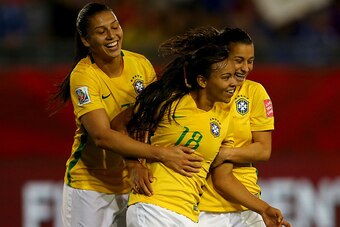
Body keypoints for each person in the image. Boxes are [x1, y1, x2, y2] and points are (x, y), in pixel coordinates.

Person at [48, 3, 204, 227]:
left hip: (134, 182)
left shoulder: (140, 64)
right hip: (91, 187)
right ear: (85, 39)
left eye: (115, 27)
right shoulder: (84, 76)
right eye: (101, 31)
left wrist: (138, 163)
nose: (112, 36)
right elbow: (102, 135)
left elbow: (149, 121)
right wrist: (160, 155)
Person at [118, 29, 289, 227]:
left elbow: (230, 172)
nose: (242, 71)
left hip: (192, 211)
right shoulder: (172, 101)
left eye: (250, 61)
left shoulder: (223, 119)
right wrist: (136, 163)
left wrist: (263, 207)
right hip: (159, 205)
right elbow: (116, 127)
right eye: (236, 63)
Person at [198, 28, 278, 226]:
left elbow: (263, 149)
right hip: (205, 207)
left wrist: (225, 154)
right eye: (239, 60)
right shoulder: (204, 93)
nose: (245, 67)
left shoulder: (255, 92)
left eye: (250, 61)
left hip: (248, 204)